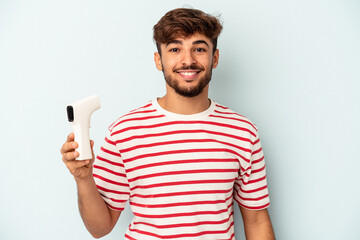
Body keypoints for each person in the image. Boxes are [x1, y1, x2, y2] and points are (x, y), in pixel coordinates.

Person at [61, 8, 275, 240]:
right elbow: (99, 228)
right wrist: (83, 179)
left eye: (199, 49)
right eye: (175, 49)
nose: (188, 60)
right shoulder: (125, 132)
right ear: (158, 60)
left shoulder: (242, 132)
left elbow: (256, 221)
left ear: (214, 58)